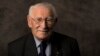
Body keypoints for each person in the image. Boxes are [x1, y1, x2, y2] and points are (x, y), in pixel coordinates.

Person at [8, 2, 80, 56]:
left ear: (55, 21)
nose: (44, 26)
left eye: (49, 20)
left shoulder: (70, 45)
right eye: (39, 20)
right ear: (29, 21)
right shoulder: (15, 48)